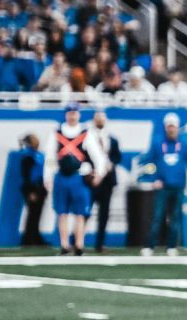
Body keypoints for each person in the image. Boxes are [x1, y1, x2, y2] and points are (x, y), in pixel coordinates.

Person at [42, 103, 109, 255]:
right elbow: (50, 156)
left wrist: (99, 172)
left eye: (75, 113)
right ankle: (64, 245)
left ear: (79, 115)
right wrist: (48, 176)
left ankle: (79, 245)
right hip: (61, 176)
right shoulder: (57, 133)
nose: (72, 116)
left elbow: (97, 155)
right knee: (62, 212)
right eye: (70, 113)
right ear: (66, 115)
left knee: (80, 213)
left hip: (78, 177)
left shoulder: (86, 133)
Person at [139, 112, 187, 257]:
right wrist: (153, 179)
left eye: (174, 126)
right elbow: (148, 163)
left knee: (175, 217)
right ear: (166, 127)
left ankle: (171, 246)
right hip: (162, 186)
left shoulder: (183, 143)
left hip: (178, 186)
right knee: (157, 216)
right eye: (169, 126)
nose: (171, 129)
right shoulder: (157, 143)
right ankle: (150, 246)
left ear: (177, 127)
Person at [87, 110, 121, 253]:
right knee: (84, 211)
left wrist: (110, 164)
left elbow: (117, 157)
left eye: (102, 118)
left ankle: (99, 243)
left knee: (104, 214)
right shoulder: (88, 138)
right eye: (97, 118)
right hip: (92, 179)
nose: (100, 120)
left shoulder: (111, 139)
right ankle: (77, 241)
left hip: (107, 180)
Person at [17, 133, 48, 246]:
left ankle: (34, 237)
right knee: (32, 214)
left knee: (36, 214)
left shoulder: (38, 155)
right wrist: (31, 191)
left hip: (40, 187)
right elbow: (26, 175)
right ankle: (29, 239)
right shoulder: (28, 156)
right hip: (33, 188)